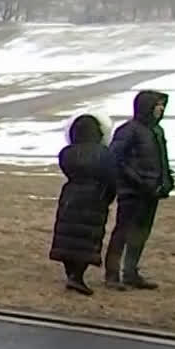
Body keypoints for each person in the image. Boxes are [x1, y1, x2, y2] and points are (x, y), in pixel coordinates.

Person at [104, 89, 172, 290]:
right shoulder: (128, 130)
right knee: (123, 232)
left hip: (152, 192)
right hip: (132, 192)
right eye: (157, 105)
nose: (161, 109)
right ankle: (112, 274)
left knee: (141, 233)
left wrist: (166, 180)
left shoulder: (157, 131)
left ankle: (130, 272)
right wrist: (138, 181)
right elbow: (115, 159)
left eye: (162, 105)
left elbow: (161, 159)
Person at [49, 114, 117, 295]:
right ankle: (77, 277)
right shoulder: (104, 154)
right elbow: (111, 177)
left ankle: (71, 274)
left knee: (68, 235)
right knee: (87, 237)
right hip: (95, 196)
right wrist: (108, 196)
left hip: (70, 194)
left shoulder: (67, 153)